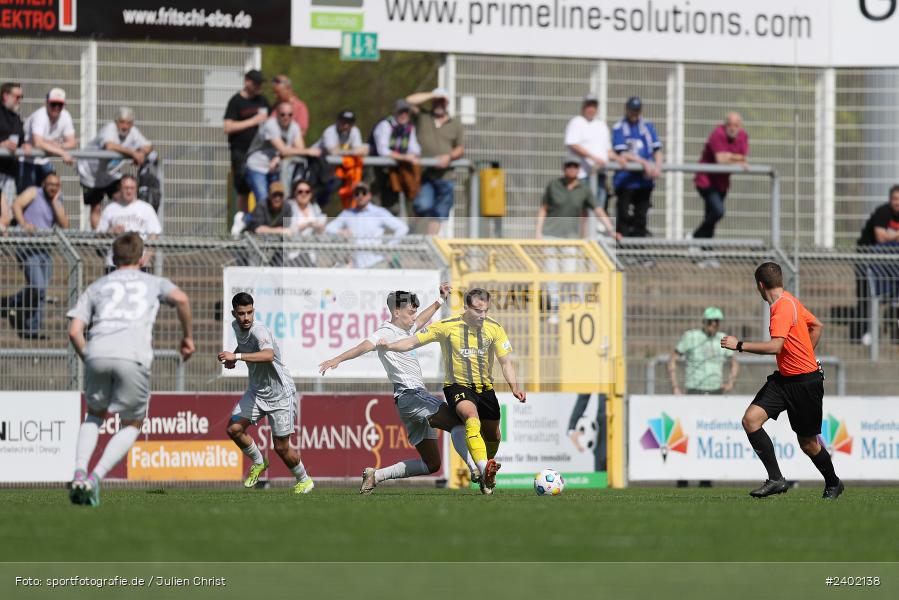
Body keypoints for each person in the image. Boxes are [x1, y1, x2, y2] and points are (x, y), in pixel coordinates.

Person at [67, 233, 195, 506]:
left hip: (97, 350)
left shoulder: (97, 285)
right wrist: (187, 337)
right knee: (134, 422)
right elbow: (182, 300)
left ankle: (78, 472)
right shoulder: (153, 281)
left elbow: (74, 330)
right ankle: (93, 479)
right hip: (133, 355)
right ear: (143, 257)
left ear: (113, 258)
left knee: (94, 414)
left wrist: (90, 357)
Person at [319, 284, 481, 493]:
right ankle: (475, 469)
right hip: (412, 395)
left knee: (431, 465)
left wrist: (440, 300)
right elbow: (363, 346)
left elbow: (422, 319)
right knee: (458, 422)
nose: (414, 317)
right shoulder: (385, 332)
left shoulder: (407, 328)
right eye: (410, 312)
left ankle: (375, 476)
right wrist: (337, 359)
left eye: (414, 312)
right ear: (396, 312)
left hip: (407, 403)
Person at [379, 288, 527, 495]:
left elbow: (505, 362)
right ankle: (484, 468)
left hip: (485, 388)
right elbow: (413, 341)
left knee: (493, 433)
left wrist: (515, 387)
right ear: (466, 307)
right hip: (457, 386)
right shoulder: (447, 327)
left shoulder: (495, 328)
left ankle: (486, 471)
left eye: (485, 311)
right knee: (470, 416)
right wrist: (391, 346)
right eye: (477, 311)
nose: (482, 316)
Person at [720, 262, 843, 500]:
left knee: (808, 443)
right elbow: (816, 326)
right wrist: (805, 353)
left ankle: (833, 483)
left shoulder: (781, 308)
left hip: (805, 383)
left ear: (760, 285)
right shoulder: (790, 301)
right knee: (751, 420)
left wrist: (740, 346)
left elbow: (776, 345)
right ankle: (776, 479)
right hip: (784, 380)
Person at [218, 292, 314, 495]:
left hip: (280, 395)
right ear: (234, 313)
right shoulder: (237, 326)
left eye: (250, 312)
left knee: (281, 447)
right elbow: (244, 345)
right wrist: (235, 358)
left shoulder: (259, 330)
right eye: (242, 313)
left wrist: (236, 355)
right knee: (234, 429)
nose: (246, 318)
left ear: (254, 311)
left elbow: (268, 355)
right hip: (256, 392)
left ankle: (304, 480)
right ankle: (259, 461)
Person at [0, 173, 69, 339]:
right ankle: (19, 313)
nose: (53, 187)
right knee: (38, 287)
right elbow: (16, 205)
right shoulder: (33, 192)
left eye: (56, 185)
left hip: (46, 250)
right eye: (50, 184)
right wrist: (23, 223)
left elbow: (65, 225)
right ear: (44, 183)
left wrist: (54, 202)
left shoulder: (57, 201)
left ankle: (30, 327)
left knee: (41, 291)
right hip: (28, 247)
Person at [240, 100, 319, 225]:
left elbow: (300, 149)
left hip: (275, 167)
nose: (286, 117)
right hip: (257, 166)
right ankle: (247, 224)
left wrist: (280, 157)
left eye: (289, 114)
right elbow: (285, 149)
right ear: (276, 114)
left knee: (278, 201)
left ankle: (270, 233)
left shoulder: (294, 127)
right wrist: (308, 151)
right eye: (282, 114)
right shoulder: (270, 125)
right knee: (262, 199)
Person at [78, 107, 153, 230]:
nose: (125, 126)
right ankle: (99, 241)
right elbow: (110, 146)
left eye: (128, 123)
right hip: (90, 174)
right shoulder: (110, 129)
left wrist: (141, 153)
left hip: (110, 174)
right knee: (96, 207)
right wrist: (133, 153)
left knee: (121, 198)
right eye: (122, 122)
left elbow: (149, 146)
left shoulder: (133, 132)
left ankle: (121, 233)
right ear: (116, 122)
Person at [406, 88, 464, 235]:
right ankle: (412, 236)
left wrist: (449, 157)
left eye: (442, 101)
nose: (439, 104)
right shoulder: (423, 117)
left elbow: (460, 148)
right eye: (436, 101)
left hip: (446, 176)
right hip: (424, 174)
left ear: (447, 103)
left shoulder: (455, 123)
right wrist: (433, 94)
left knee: (440, 213)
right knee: (422, 206)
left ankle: (431, 245)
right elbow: (408, 100)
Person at [224, 70, 270, 234]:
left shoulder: (262, 101)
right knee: (243, 188)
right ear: (247, 82)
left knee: (261, 189)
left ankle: (256, 221)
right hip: (241, 152)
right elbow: (228, 127)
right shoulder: (236, 101)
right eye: (256, 82)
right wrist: (252, 121)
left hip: (261, 153)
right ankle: (242, 220)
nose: (259, 86)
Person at [853, 185, 899, 344]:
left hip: (890, 263)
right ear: (890, 200)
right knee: (866, 295)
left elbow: (888, 238)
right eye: (895, 199)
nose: (897, 202)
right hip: (867, 260)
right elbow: (880, 237)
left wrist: (891, 236)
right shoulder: (883, 212)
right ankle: (865, 333)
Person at [324, 182, 409, 268]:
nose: (360, 196)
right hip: (356, 265)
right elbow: (328, 228)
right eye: (357, 193)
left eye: (364, 193)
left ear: (369, 195)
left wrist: (388, 247)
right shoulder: (347, 214)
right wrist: (340, 232)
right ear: (353, 196)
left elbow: (402, 228)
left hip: (377, 263)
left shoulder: (379, 212)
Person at [611, 96, 662, 238]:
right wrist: (644, 162)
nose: (634, 113)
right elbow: (622, 153)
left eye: (637, 110)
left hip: (644, 181)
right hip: (625, 180)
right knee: (623, 215)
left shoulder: (647, 126)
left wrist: (657, 166)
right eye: (632, 110)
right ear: (627, 109)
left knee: (641, 215)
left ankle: (637, 250)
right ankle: (623, 251)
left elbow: (657, 150)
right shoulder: (619, 127)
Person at [693, 112, 749, 239]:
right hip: (706, 180)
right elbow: (720, 159)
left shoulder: (743, 136)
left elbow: (743, 158)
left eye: (736, 125)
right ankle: (695, 237)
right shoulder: (717, 134)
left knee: (711, 215)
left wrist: (730, 157)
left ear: (740, 126)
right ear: (725, 124)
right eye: (729, 124)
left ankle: (704, 248)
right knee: (718, 211)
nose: (732, 128)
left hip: (722, 183)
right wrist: (735, 158)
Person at [668, 307, 740, 395]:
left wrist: (731, 383)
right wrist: (674, 386)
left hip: (716, 390)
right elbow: (673, 359)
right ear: (704, 321)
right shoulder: (691, 336)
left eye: (716, 321)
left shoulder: (722, 338)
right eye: (710, 321)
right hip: (694, 389)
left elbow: (734, 362)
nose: (713, 324)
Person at [96, 174, 161, 270]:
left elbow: (154, 235)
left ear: (136, 189)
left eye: (132, 188)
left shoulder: (146, 208)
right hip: (115, 263)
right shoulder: (110, 209)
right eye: (126, 188)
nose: (129, 191)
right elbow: (99, 235)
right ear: (120, 188)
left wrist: (146, 258)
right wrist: (111, 232)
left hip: (139, 263)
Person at [370, 99, 421, 214]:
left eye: (406, 112)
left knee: (392, 207)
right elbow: (382, 151)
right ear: (395, 112)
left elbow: (415, 148)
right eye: (400, 112)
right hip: (376, 170)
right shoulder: (384, 125)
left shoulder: (409, 128)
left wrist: (411, 155)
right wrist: (404, 158)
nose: (403, 115)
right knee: (374, 203)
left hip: (393, 172)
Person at [565, 93, 613, 210]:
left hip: (599, 174)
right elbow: (573, 144)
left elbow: (608, 150)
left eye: (594, 106)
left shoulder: (601, 125)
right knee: (582, 211)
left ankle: (596, 228)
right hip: (582, 176)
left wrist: (620, 159)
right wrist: (593, 158)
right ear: (583, 107)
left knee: (598, 208)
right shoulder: (577, 122)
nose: (591, 109)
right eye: (589, 105)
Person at [21, 87, 77, 189]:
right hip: (26, 161)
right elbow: (38, 143)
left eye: (59, 105)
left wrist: (57, 145)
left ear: (64, 106)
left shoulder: (66, 116)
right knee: (27, 197)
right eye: (53, 104)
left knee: (55, 194)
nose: (56, 108)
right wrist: (62, 152)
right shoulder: (40, 115)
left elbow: (72, 142)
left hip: (43, 161)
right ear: (46, 103)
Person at [314, 110, 368, 208]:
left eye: (350, 123)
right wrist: (352, 151)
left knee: (349, 190)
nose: (346, 126)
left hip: (338, 170)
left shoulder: (354, 131)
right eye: (343, 122)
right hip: (318, 167)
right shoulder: (330, 131)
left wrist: (349, 152)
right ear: (338, 121)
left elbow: (360, 151)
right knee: (319, 193)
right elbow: (332, 151)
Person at [0, 82, 26, 209]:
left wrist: (26, 146)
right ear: (5, 96)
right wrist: (2, 145)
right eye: (17, 97)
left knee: (6, 216)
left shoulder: (16, 118)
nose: (19, 100)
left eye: (21, 97)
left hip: (9, 173)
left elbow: (21, 140)